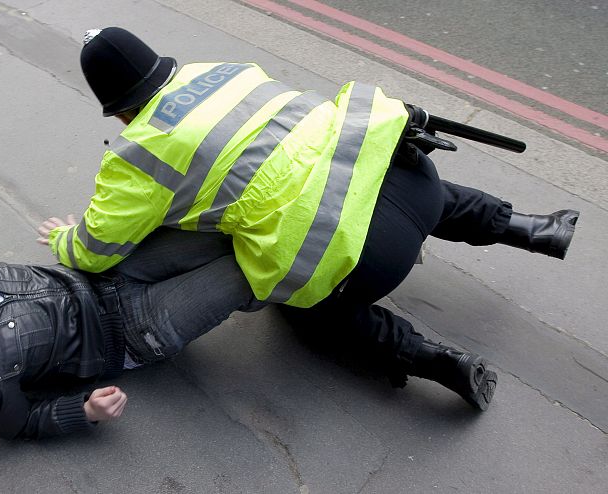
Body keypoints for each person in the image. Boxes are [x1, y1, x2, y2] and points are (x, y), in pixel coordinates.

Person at [38, 27, 580, 411]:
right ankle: (534, 227)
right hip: (415, 183)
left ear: (121, 111)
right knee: (374, 180)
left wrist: (64, 240)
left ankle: (440, 362)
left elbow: (98, 248)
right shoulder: (223, 72)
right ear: (163, 66)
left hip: (368, 259)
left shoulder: (138, 152)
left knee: (302, 303)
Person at [0, 187, 263, 440]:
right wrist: (84, 412)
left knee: (225, 231)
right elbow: (20, 422)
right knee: (246, 271)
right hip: (131, 332)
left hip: (102, 272)